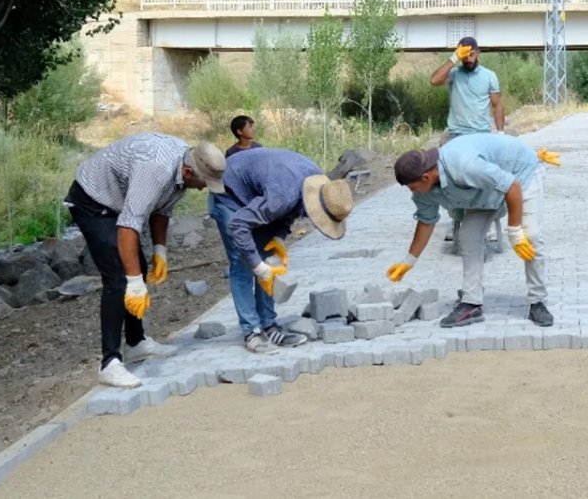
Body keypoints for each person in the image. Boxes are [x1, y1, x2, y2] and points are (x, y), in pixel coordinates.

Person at [65, 133, 226, 388]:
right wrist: (134, 283)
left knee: (136, 268)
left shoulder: (184, 167)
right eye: (204, 182)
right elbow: (129, 225)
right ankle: (109, 364)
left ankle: (136, 343)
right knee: (119, 278)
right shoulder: (156, 170)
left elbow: (161, 210)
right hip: (93, 200)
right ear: (188, 172)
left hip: (119, 201)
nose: (203, 188)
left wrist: (160, 250)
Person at [388, 134, 559, 329]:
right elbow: (426, 222)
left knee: (531, 236)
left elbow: (512, 186)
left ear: (426, 177)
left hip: (520, 173)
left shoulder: (464, 166)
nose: (413, 191)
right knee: (468, 237)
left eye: (412, 187)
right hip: (485, 191)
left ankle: (538, 302)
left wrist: (515, 232)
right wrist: (408, 261)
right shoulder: (424, 190)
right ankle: (471, 303)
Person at [210, 148, 355, 354]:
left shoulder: (316, 184)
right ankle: (252, 331)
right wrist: (258, 267)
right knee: (243, 262)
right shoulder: (281, 196)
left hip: (262, 191)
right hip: (229, 193)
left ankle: (268, 325)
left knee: (268, 258)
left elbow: (293, 208)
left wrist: (278, 237)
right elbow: (238, 226)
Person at [429, 36, 504, 243]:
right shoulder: (454, 74)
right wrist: (454, 58)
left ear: (478, 53)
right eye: (464, 55)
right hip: (457, 135)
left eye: (471, 54)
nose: (468, 58)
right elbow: (434, 80)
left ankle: (486, 222)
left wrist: (500, 133)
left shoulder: (489, 76)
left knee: (484, 177)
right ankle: (456, 221)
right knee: (451, 181)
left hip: (481, 136)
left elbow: (497, 105)